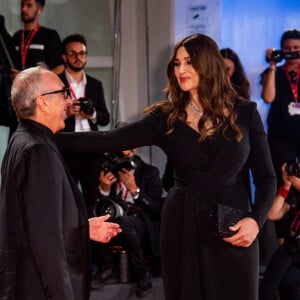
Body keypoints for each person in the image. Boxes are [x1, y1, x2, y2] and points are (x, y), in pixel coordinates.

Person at [56, 33, 277, 300]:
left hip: (233, 226)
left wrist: (256, 219)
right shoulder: (166, 118)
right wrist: (46, 135)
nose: (181, 69)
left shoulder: (245, 113)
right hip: (182, 225)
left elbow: (267, 178)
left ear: (208, 64)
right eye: (177, 63)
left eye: (189, 62)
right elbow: (109, 139)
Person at [0, 66, 121, 300]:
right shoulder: (38, 150)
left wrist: (82, 228)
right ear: (43, 103)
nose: (69, 101)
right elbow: (45, 241)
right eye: (64, 93)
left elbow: (38, 221)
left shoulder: (22, 140)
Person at [90, 131, 163, 297]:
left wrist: (135, 191)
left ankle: (141, 272)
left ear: (135, 149)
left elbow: (156, 209)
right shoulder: (110, 171)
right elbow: (98, 207)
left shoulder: (150, 172)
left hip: (140, 223)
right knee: (94, 218)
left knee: (124, 222)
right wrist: (104, 190)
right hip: (116, 217)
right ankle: (108, 268)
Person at [58, 33, 110, 206]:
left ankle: (92, 232)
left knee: (93, 196)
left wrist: (92, 114)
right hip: (67, 146)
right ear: (64, 57)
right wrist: (67, 113)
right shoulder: (57, 84)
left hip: (91, 146)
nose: (78, 58)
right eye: (72, 53)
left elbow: (105, 119)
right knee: (67, 197)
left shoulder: (95, 84)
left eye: (82, 53)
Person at [261, 29, 300, 243]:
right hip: (280, 139)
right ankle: (284, 238)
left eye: (297, 49)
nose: (293, 53)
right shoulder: (272, 72)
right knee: (285, 182)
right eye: (288, 50)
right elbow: (268, 97)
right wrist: (273, 65)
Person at [9, 0, 64, 135]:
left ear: (40, 9)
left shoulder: (49, 35)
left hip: (39, 99)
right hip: (18, 99)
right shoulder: (16, 37)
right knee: (16, 137)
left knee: (37, 137)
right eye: (22, 5)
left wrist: (35, 81)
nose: (24, 9)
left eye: (29, 5)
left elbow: (60, 67)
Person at [259, 162, 300, 300]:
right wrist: (286, 186)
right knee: (267, 290)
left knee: (290, 283)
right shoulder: (295, 197)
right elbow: (272, 214)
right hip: (290, 249)